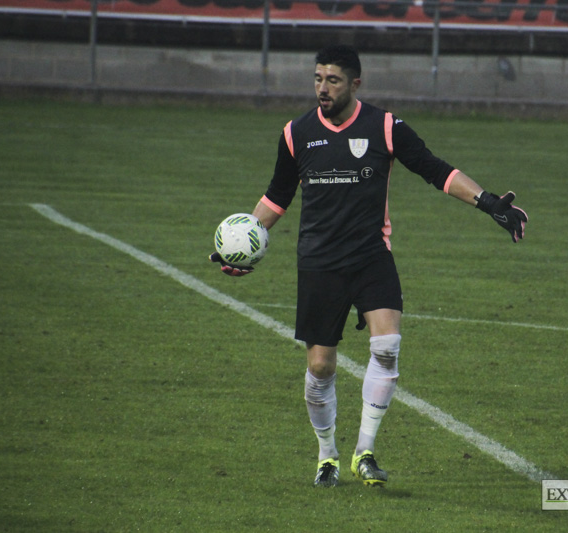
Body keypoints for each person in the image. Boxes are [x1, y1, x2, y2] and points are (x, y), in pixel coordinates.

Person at [210, 44, 527, 488]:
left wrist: (487, 202)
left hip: (370, 255)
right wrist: (243, 247)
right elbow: (278, 196)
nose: (323, 87)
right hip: (319, 261)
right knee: (321, 368)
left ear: (355, 83)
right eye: (318, 78)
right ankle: (327, 456)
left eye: (333, 80)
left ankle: (365, 451)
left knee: (388, 345)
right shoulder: (296, 133)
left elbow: (434, 169)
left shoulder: (385, 126)